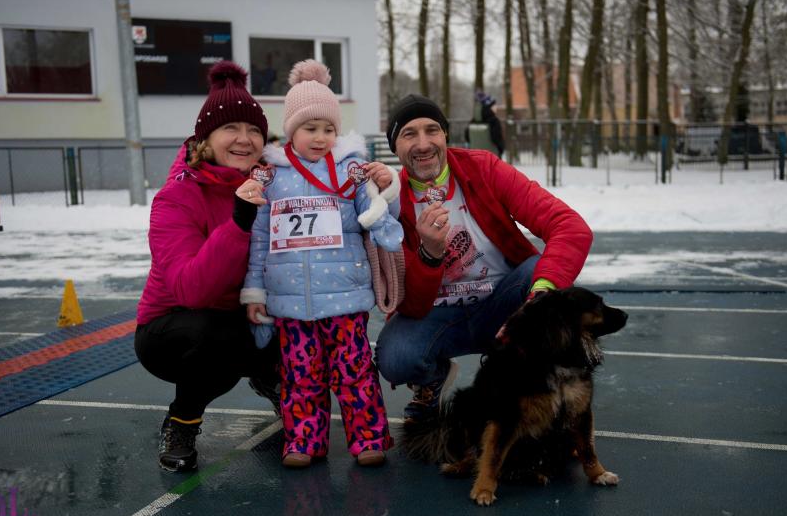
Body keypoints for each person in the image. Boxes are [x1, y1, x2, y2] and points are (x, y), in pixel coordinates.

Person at [375, 94, 593, 424]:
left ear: (445, 134)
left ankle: (528, 381)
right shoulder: (390, 201)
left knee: (542, 276)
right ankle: (431, 378)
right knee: (394, 357)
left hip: (502, 303)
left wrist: (542, 293)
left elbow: (570, 226)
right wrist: (430, 253)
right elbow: (413, 305)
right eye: (409, 134)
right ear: (394, 146)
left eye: (432, 130)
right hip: (438, 314)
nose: (423, 144)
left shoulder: (483, 168)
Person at [242, 60, 403, 468]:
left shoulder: (351, 170)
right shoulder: (271, 178)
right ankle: (303, 441)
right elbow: (260, 239)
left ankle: (368, 438)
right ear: (290, 130)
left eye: (328, 129)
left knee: (355, 373)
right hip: (290, 301)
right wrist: (255, 290)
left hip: (345, 298)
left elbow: (375, 207)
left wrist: (383, 220)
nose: (320, 137)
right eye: (310, 128)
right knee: (300, 376)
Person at [135, 61, 282, 473]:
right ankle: (182, 421)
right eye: (230, 128)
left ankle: (270, 375)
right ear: (205, 138)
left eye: (254, 129)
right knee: (220, 334)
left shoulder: (273, 184)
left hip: (248, 314)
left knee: (310, 317)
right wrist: (238, 222)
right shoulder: (176, 197)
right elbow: (190, 290)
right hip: (174, 331)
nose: (244, 138)